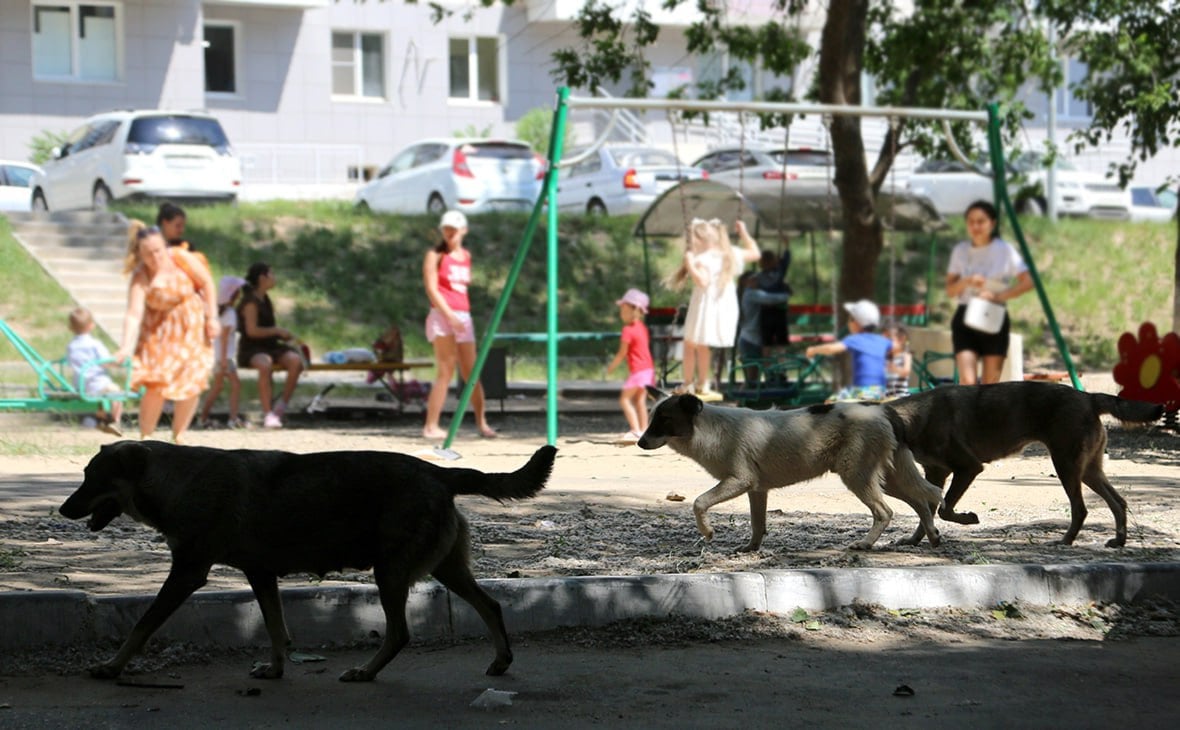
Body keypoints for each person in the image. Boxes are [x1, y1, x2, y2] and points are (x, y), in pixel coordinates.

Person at [112, 220, 218, 443]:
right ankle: (146, 437)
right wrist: (124, 346)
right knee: (155, 384)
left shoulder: (180, 257)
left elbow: (207, 282)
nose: (155, 257)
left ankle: (179, 436)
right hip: (158, 335)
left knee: (193, 377)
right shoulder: (141, 275)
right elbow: (133, 313)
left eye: (158, 250)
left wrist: (212, 317)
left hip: (191, 329)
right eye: (148, 253)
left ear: (164, 246)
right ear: (140, 253)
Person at [421, 210, 497, 440]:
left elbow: (462, 285)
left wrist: (459, 315)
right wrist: (449, 314)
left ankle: (481, 422)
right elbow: (432, 288)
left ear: (463, 230)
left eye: (453, 229)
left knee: (471, 371)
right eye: (446, 229)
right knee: (446, 369)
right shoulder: (434, 255)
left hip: (463, 315)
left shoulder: (465, 255)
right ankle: (431, 425)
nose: (449, 234)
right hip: (443, 315)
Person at [669, 217, 760, 399]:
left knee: (690, 344)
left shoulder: (701, 259)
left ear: (699, 240)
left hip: (704, 306)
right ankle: (703, 383)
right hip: (722, 308)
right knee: (702, 346)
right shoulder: (730, 254)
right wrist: (743, 233)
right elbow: (755, 253)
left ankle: (688, 383)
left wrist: (689, 264)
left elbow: (702, 281)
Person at [946, 200, 1034, 384]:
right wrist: (967, 281)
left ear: (992, 223)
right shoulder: (960, 251)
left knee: (990, 386)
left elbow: (1028, 281)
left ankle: (986, 413)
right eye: (971, 221)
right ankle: (968, 413)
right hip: (965, 315)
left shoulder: (1004, 250)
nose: (975, 226)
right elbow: (950, 290)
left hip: (993, 314)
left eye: (981, 221)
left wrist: (997, 296)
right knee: (967, 382)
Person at [236, 262, 304, 429]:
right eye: (271, 274)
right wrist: (276, 331)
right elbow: (251, 331)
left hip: (271, 346)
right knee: (264, 364)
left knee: (295, 361)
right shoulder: (250, 302)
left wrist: (284, 336)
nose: (274, 278)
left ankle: (281, 406)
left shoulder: (265, 298)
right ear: (262, 277)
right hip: (252, 348)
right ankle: (267, 413)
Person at [805, 299, 892, 401]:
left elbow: (831, 349)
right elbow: (896, 350)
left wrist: (813, 349)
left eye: (850, 318)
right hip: (881, 391)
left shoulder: (854, 339)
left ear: (855, 322)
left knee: (830, 402)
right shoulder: (882, 341)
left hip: (862, 391)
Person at [65, 307, 125, 436]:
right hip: (98, 383)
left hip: (81, 385)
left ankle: (100, 418)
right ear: (91, 325)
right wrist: (118, 359)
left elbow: (71, 362)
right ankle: (116, 421)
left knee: (100, 396)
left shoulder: (71, 346)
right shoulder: (94, 344)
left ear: (71, 327)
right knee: (117, 392)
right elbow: (106, 361)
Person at [606, 288, 655, 442]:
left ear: (633, 309)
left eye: (623, 309)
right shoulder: (643, 328)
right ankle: (644, 430)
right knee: (640, 401)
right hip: (648, 370)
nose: (621, 312)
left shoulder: (628, 330)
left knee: (624, 400)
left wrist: (611, 367)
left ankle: (635, 430)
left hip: (638, 372)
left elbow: (622, 353)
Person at [198, 276, 247, 429]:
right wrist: (226, 360)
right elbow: (225, 338)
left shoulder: (216, 311)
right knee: (236, 385)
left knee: (218, 387)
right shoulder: (230, 313)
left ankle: (203, 417)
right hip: (225, 356)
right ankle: (233, 418)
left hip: (217, 355)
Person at [736, 271, 790, 385]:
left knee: (754, 380)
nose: (758, 281)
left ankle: (746, 401)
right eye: (754, 279)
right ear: (747, 282)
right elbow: (771, 298)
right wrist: (786, 294)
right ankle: (739, 401)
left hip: (751, 340)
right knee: (752, 380)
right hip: (750, 342)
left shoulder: (748, 293)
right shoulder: (751, 294)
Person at [755, 245, 792, 354]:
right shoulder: (779, 274)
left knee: (766, 343)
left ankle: (767, 368)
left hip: (765, 312)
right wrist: (786, 246)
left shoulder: (759, 277)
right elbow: (786, 261)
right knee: (781, 342)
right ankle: (781, 366)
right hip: (779, 310)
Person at [157, 202, 211, 273]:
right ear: (165, 223)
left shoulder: (187, 246)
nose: (182, 230)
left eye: (183, 226)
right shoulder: (153, 246)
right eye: (178, 226)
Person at [885, 322, 913, 397]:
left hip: (901, 397)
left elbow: (906, 372)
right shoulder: (887, 357)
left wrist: (895, 369)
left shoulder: (906, 356)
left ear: (901, 340)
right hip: (887, 397)